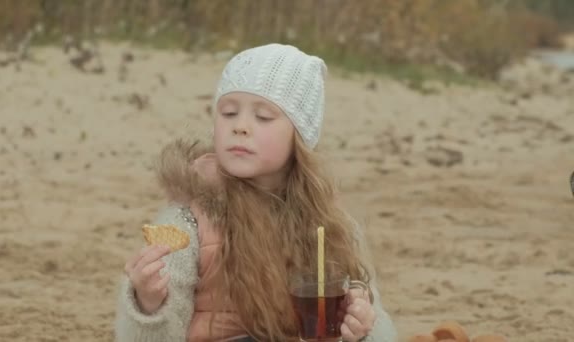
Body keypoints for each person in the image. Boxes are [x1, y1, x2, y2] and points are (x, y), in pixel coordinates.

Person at [115, 43, 397, 341]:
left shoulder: (330, 224)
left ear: (299, 137)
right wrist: (148, 304)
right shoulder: (187, 220)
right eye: (228, 113)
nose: (240, 126)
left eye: (263, 117)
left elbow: (381, 330)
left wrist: (363, 328)